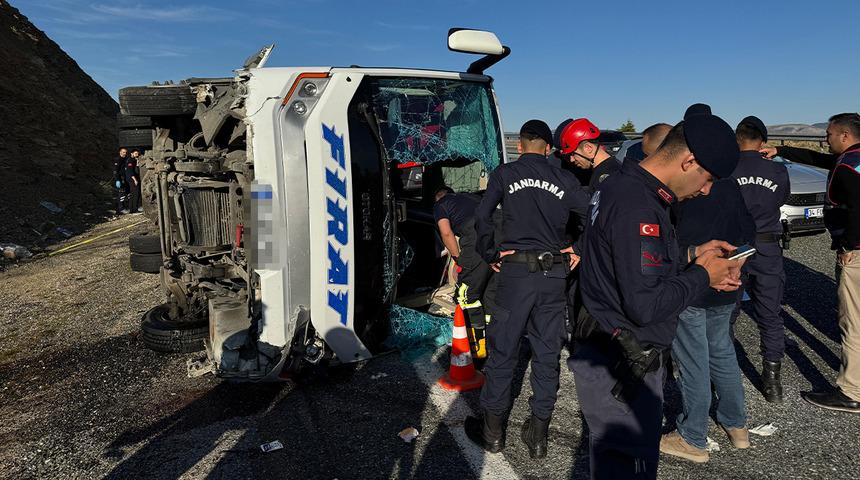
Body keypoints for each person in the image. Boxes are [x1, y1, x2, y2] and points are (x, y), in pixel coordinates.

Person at [570, 111, 743, 479]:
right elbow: (645, 304)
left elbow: (624, 261)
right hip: (624, 367)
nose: (706, 189)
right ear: (689, 161)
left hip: (610, 352)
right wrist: (701, 275)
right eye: (707, 178)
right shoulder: (639, 205)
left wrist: (691, 256)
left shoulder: (619, 185)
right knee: (629, 467)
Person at [464, 120, 590, 459]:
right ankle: (538, 435)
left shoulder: (505, 174)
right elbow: (594, 212)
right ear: (548, 148)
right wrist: (577, 247)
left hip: (516, 274)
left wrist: (490, 252)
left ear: (520, 145)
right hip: (553, 278)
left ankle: (493, 433)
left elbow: (482, 215)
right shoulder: (564, 178)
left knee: (503, 352)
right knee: (546, 355)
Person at [761, 112, 860, 412]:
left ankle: (851, 391)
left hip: (856, 252)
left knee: (852, 320)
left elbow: (858, 207)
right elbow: (817, 160)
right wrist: (782, 151)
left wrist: (850, 245)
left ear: (844, 136)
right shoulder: (853, 160)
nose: (826, 140)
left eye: (829, 135)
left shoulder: (848, 168)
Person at [660, 175, 757, 463]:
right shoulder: (728, 183)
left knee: (694, 360)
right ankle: (736, 424)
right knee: (722, 351)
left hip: (694, 282)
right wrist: (735, 265)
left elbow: (666, 243)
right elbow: (748, 229)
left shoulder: (680, 186)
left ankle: (692, 436)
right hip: (727, 281)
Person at [730, 116, 790, 403]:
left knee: (726, 314)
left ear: (737, 138)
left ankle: (723, 375)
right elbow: (780, 200)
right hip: (767, 248)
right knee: (770, 314)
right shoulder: (777, 172)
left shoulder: (726, 168)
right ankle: (772, 382)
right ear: (762, 141)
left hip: (734, 249)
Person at [434, 186, 491, 357]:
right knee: (490, 293)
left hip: (476, 240)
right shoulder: (471, 198)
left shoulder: (441, 204)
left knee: (466, 296)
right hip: (500, 236)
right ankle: (496, 341)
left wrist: (458, 258)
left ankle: (477, 349)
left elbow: (446, 232)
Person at [558, 118, 620, 193]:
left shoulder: (611, 175)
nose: (572, 159)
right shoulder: (604, 169)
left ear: (588, 148)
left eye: (573, 154)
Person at [113, 147, 129, 214]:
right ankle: (120, 209)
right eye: (123, 152)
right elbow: (115, 171)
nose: (124, 153)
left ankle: (125, 207)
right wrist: (117, 180)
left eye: (125, 152)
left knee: (126, 193)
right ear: (120, 152)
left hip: (125, 178)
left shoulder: (126, 159)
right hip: (120, 178)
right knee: (121, 194)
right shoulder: (118, 159)